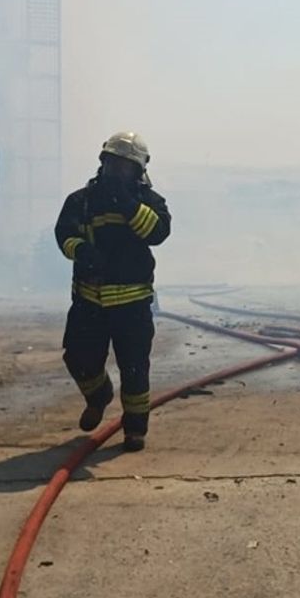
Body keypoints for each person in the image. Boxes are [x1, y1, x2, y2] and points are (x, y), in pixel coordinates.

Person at [54, 132, 171, 451]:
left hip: (132, 305)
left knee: (134, 369)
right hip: (89, 300)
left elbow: (159, 232)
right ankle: (98, 395)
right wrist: (80, 250)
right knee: (78, 359)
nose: (117, 172)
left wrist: (128, 203)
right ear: (102, 162)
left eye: (125, 167)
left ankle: (134, 430)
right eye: (113, 164)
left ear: (137, 171)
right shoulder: (81, 201)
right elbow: (64, 233)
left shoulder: (149, 202)